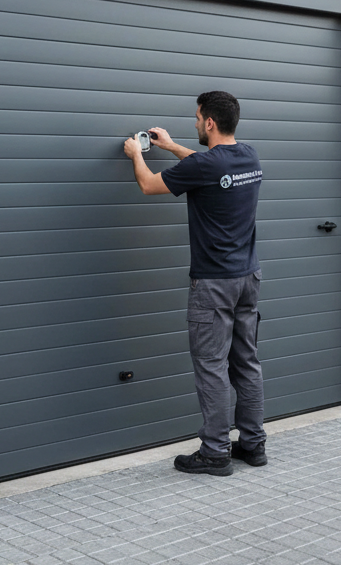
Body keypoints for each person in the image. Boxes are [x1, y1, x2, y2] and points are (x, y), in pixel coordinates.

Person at [123, 91, 267, 477]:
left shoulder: (209, 165)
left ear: (209, 123)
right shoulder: (248, 156)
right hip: (247, 279)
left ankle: (215, 451)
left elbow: (150, 186)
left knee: (211, 366)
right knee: (246, 363)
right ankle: (252, 445)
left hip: (214, 283)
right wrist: (170, 146)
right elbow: (207, 167)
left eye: (197, 117)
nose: (196, 122)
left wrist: (135, 154)